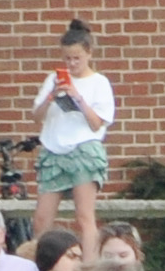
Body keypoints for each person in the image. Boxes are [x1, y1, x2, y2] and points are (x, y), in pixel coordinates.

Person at [29, 19, 116, 256]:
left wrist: (77, 97)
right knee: (41, 218)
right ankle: (43, 269)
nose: (72, 63)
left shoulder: (99, 83)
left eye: (77, 58)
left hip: (83, 150)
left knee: (84, 216)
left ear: (88, 53)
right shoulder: (53, 79)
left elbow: (97, 123)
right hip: (53, 151)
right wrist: (51, 96)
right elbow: (37, 116)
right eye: (67, 58)